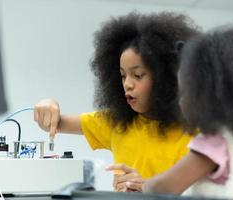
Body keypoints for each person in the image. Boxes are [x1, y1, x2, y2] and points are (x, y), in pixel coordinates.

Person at [34, 11, 200, 192]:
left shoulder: (196, 132)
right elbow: (53, 124)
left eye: (138, 75)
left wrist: (144, 188)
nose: (127, 84)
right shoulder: (116, 123)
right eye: (122, 76)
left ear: (165, 78)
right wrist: (49, 104)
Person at [143, 26, 233, 199]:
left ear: (208, 95)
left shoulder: (215, 142)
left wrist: (142, 184)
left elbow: (164, 186)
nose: (180, 101)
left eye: (185, 91)